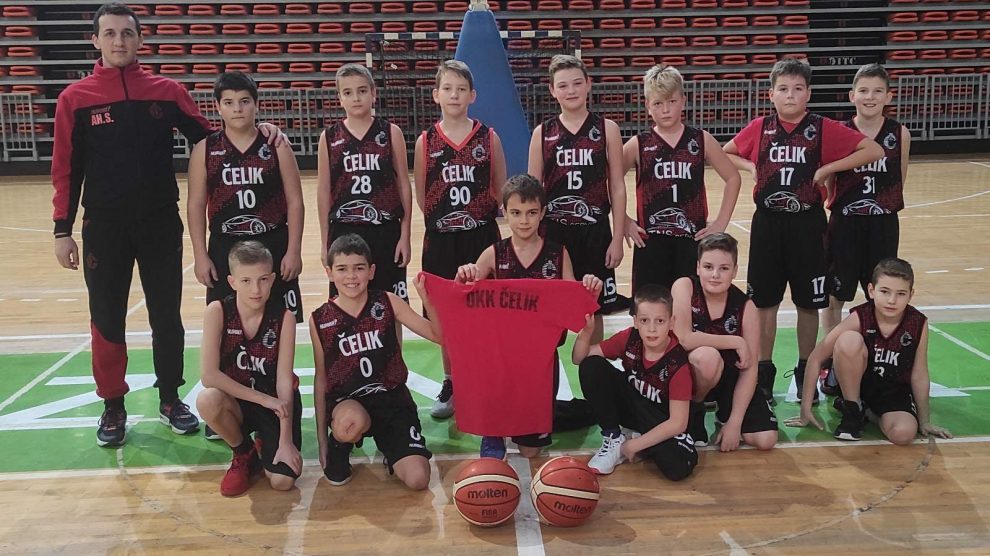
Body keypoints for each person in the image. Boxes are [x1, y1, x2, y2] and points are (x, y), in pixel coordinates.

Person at [48, 3, 278, 446]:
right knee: (106, 317)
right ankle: (113, 404)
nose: (119, 41)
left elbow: (212, 139)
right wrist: (62, 229)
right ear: (95, 40)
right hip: (104, 228)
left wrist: (259, 129)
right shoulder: (74, 99)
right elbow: (65, 169)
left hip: (159, 224)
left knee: (166, 316)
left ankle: (171, 397)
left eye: (127, 33)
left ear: (140, 39)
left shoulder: (167, 92)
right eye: (110, 33)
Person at [722, 58, 884, 407]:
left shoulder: (822, 128)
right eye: (783, 89)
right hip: (767, 224)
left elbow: (873, 149)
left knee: (808, 304)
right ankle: (763, 373)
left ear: (808, 93)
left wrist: (828, 168)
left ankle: (805, 370)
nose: (790, 95)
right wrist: (750, 165)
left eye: (798, 89)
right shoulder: (760, 127)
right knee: (764, 304)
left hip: (807, 225)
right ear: (771, 94)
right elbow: (725, 152)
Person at [455, 174, 602, 459]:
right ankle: (493, 429)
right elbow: (462, 295)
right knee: (497, 420)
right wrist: (464, 275)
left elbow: (573, 303)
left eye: (531, 213)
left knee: (531, 451)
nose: (524, 221)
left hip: (542, 359)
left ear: (543, 212)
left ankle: (554, 412)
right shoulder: (494, 254)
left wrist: (589, 290)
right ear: (504, 212)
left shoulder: (558, 254)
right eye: (516, 213)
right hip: (500, 356)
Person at [414, 60, 507, 420]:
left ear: (473, 95)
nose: (454, 95)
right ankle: (452, 380)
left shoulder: (488, 137)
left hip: (480, 238)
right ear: (436, 95)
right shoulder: (426, 141)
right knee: (446, 317)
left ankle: (485, 379)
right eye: (447, 88)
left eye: (461, 89)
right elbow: (422, 196)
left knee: (485, 314)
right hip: (441, 240)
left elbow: (499, 188)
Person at [310, 234, 442, 489]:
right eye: (342, 269)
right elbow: (321, 379)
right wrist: (322, 441)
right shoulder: (320, 319)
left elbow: (438, 336)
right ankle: (339, 444)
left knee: (418, 479)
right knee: (349, 422)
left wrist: (427, 299)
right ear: (329, 273)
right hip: (349, 403)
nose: (351, 276)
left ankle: (391, 449)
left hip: (392, 401)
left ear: (371, 271)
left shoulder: (387, 301)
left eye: (359, 268)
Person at [785, 258, 952, 444]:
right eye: (885, 292)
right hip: (858, 386)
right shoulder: (861, 316)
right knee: (848, 340)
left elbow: (919, 374)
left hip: (894, 391)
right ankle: (852, 409)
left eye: (901, 294)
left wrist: (924, 420)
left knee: (903, 434)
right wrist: (805, 409)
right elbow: (816, 357)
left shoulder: (917, 322)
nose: (892, 300)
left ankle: (870, 414)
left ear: (911, 295)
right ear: (871, 291)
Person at [819, 64, 912, 395]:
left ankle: (879, 360)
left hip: (882, 223)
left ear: (889, 96)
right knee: (835, 295)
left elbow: (899, 178)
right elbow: (829, 181)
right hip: (845, 223)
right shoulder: (839, 132)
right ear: (852, 95)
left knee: (883, 293)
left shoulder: (899, 133)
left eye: (877, 91)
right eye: (863, 90)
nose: (870, 97)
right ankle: (832, 362)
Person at [187, 71, 304, 325]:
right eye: (229, 102)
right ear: (218, 107)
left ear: (256, 104)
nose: (237, 109)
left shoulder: (276, 145)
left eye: (244, 101)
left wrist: (294, 250)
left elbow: (295, 201)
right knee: (226, 323)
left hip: (272, 242)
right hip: (225, 246)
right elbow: (195, 205)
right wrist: (200, 255)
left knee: (281, 321)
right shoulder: (205, 149)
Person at [528, 54, 626, 345]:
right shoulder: (542, 133)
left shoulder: (607, 129)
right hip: (554, 233)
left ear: (588, 84)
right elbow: (531, 192)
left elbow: (617, 186)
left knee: (594, 308)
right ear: (552, 90)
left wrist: (617, 238)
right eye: (563, 85)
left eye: (576, 83)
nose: (570, 91)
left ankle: (592, 364)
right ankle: (547, 367)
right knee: (551, 307)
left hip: (595, 231)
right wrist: (531, 239)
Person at [195, 241, 302, 496]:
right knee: (207, 399)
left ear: (272, 279)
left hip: (276, 405)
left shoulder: (284, 317)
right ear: (232, 282)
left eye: (263, 280)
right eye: (246, 281)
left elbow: (284, 383)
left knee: (282, 482)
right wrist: (263, 399)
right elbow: (209, 375)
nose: (256, 289)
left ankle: (268, 441)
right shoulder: (218, 311)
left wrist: (285, 441)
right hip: (241, 402)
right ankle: (244, 453)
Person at [622, 65, 741, 292]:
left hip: (692, 240)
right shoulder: (639, 144)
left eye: (672, 101)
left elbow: (733, 178)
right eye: (658, 103)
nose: (666, 109)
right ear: (648, 106)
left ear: (683, 101)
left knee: (690, 305)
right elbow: (608, 181)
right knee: (650, 305)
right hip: (650, 241)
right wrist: (625, 221)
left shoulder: (701, 140)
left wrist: (721, 222)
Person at [572, 285, 698, 480]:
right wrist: (586, 332)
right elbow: (579, 358)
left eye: (660, 321)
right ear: (636, 321)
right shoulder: (629, 338)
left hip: (659, 419)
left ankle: (637, 441)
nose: (652, 328)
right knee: (591, 366)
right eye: (645, 320)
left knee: (678, 467)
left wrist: (634, 446)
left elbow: (678, 423)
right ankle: (614, 438)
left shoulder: (677, 363)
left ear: (671, 322)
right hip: (631, 405)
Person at [671, 233, 778, 451]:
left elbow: (750, 369)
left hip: (729, 376)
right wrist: (735, 341)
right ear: (698, 267)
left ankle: (724, 416)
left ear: (735, 271)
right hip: (689, 375)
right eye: (708, 267)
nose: (715, 275)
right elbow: (684, 338)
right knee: (707, 357)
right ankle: (695, 409)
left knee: (766, 440)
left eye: (724, 268)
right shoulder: (684, 287)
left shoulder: (746, 307)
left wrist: (734, 423)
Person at [318, 63, 413, 302]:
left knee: (390, 301)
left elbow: (403, 184)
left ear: (373, 93)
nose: (356, 98)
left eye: (362, 90)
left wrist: (405, 234)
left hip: (385, 229)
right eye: (348, 92)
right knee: (347, 299)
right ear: (340, 98)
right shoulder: (329, 137)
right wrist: (324, 241)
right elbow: (323, 191)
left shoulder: (391, 132)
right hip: (344, 228)